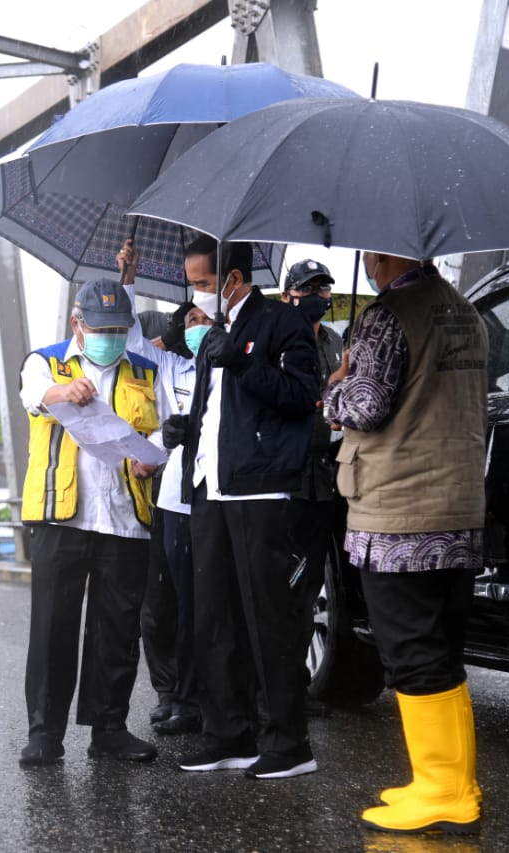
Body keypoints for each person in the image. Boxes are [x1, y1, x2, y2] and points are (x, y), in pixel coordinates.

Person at [324, 253, 487, 834]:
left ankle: (441, 787)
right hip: (458, 504)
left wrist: (334, 390)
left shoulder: (387, 316)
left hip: (400, 515)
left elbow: (365, 407)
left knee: (411, 651)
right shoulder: (465, 312)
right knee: (441, 646)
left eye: (371, 252)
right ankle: (454, 784)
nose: (367, 262)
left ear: (386, 253)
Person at [162, 235, 321, 780]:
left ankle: (288, 741)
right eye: (193, 284)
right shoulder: (213, 333)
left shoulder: (281, 323)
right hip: (209, 484)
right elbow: (216, 410)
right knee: (213, 614)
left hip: (258, 488)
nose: (197, 294)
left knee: (267, 616)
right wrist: (186, 432)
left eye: (204, 284)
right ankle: (228, 733)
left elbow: (303, 395)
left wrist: (244, 363)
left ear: (232, 279)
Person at [17, 278, 166, 767]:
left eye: (120, 329)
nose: (111, 338)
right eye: (102, 329)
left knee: (117, 631)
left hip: (125, 517)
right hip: (62, 517)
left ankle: (109, 729)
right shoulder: (47, 361)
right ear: (77, 325)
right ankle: (45, 734)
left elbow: (167, 425)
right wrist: (63, 390)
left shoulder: (145, 370)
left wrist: (156, 456)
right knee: (53, 627)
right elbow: (33, 394)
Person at [116, 240, 201, 734]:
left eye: (205, 322)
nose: (196, 330)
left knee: (198, 602)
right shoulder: (169, 366)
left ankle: (194, 695)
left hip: (210, 499)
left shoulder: (225, 366)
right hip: (170, 499)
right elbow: (129, 341)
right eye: (189, 323)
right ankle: (170, 691)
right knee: (161, 604)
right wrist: (127, 279)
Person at [282, 259, 344, 716]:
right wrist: (328, 392)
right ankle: (276, 686)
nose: (318, 295)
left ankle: (297, 683)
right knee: (284, 583)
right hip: (289, 481)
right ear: (289, 295)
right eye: (309, 289)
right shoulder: (280, 337)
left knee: (311, 587)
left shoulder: (337, 341)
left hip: (326, 480)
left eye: (323, 288)